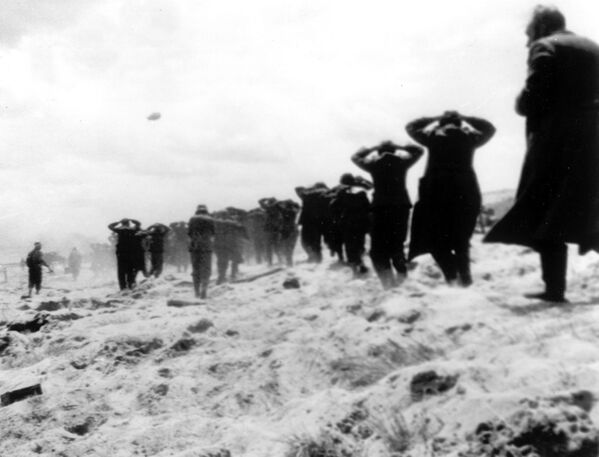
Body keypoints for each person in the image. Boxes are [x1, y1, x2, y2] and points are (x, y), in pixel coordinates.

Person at [485, 6, 599, 302]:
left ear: (539, 28)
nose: (527, 42)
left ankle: (554, 289)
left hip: (557, 142)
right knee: (590, 212)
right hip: (594, 139)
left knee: (545, 210)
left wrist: (520, 103)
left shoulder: (544, 46)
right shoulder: (592, 47)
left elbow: (534, 95)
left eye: (528, 34)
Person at [406, 111, 496, 286]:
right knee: (461, 239)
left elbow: (411, 126)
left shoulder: (432, 136)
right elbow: (489, 128)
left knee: (434, 239)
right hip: (466, 191)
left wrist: (433, 118)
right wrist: (466, 117)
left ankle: (451, 274)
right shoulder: (470, 137)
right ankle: (465, 277)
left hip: (435, 193)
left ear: (441, 123)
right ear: (459, 123)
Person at [351, 140, 423, 289]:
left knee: (378, 249)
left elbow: (355, 157)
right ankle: (402, 277)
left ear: (379, 152)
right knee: (397, 244)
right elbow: (419, 150)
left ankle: (387, 283)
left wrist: (371, 147)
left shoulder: (374, 164)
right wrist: (400, 146)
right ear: (394, 151)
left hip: (380, 207)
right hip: (401, 207)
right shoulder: (402, 162)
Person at [330, 174, 373, 277]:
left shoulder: (340, 192)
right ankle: (361, 263)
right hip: (361, 223)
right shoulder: (361, 191)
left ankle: (355, 270)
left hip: (347, 223)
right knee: (359, 244)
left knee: (350, 246)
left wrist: (337, 219)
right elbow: (368, 207)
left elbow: (333, 206)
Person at [295, 182, 330, 263]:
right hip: (320, 221)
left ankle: (315, 258)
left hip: (309, 221)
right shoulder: (324, 193)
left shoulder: (308, 195)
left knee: (307, 241)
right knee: (314, 241)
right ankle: (316, 258)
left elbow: (297, 189)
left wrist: (309, 189)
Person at [188, 205, 216, 298]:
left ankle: (196, 291)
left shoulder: (192, 219)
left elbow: (189, 233)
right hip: (206, 247)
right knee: (206, 269)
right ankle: (204, 289)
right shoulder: (210, 219)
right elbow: (213, 233)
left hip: (195, 247)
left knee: (196, 270)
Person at [108, 218, 143, 290]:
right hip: (131, 253)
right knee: (130, 269)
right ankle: (131, 284)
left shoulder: (119, 230)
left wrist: (117, 222)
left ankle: (122, 287)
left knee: (121, 271)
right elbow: (138, 224)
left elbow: (110, 226)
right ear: (128, 223)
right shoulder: (132, 230)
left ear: (122, 223)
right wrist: (133, 220)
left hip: (121, 253)